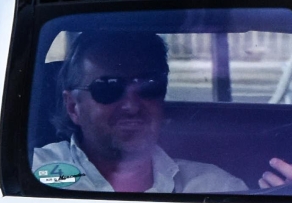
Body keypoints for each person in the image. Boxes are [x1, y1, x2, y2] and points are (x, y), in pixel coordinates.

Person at [31, 30, 248, 194]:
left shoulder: (216, 188)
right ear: (73, 107)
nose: (132, 106)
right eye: (109, 87)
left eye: (149, 86)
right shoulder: (28, 173)